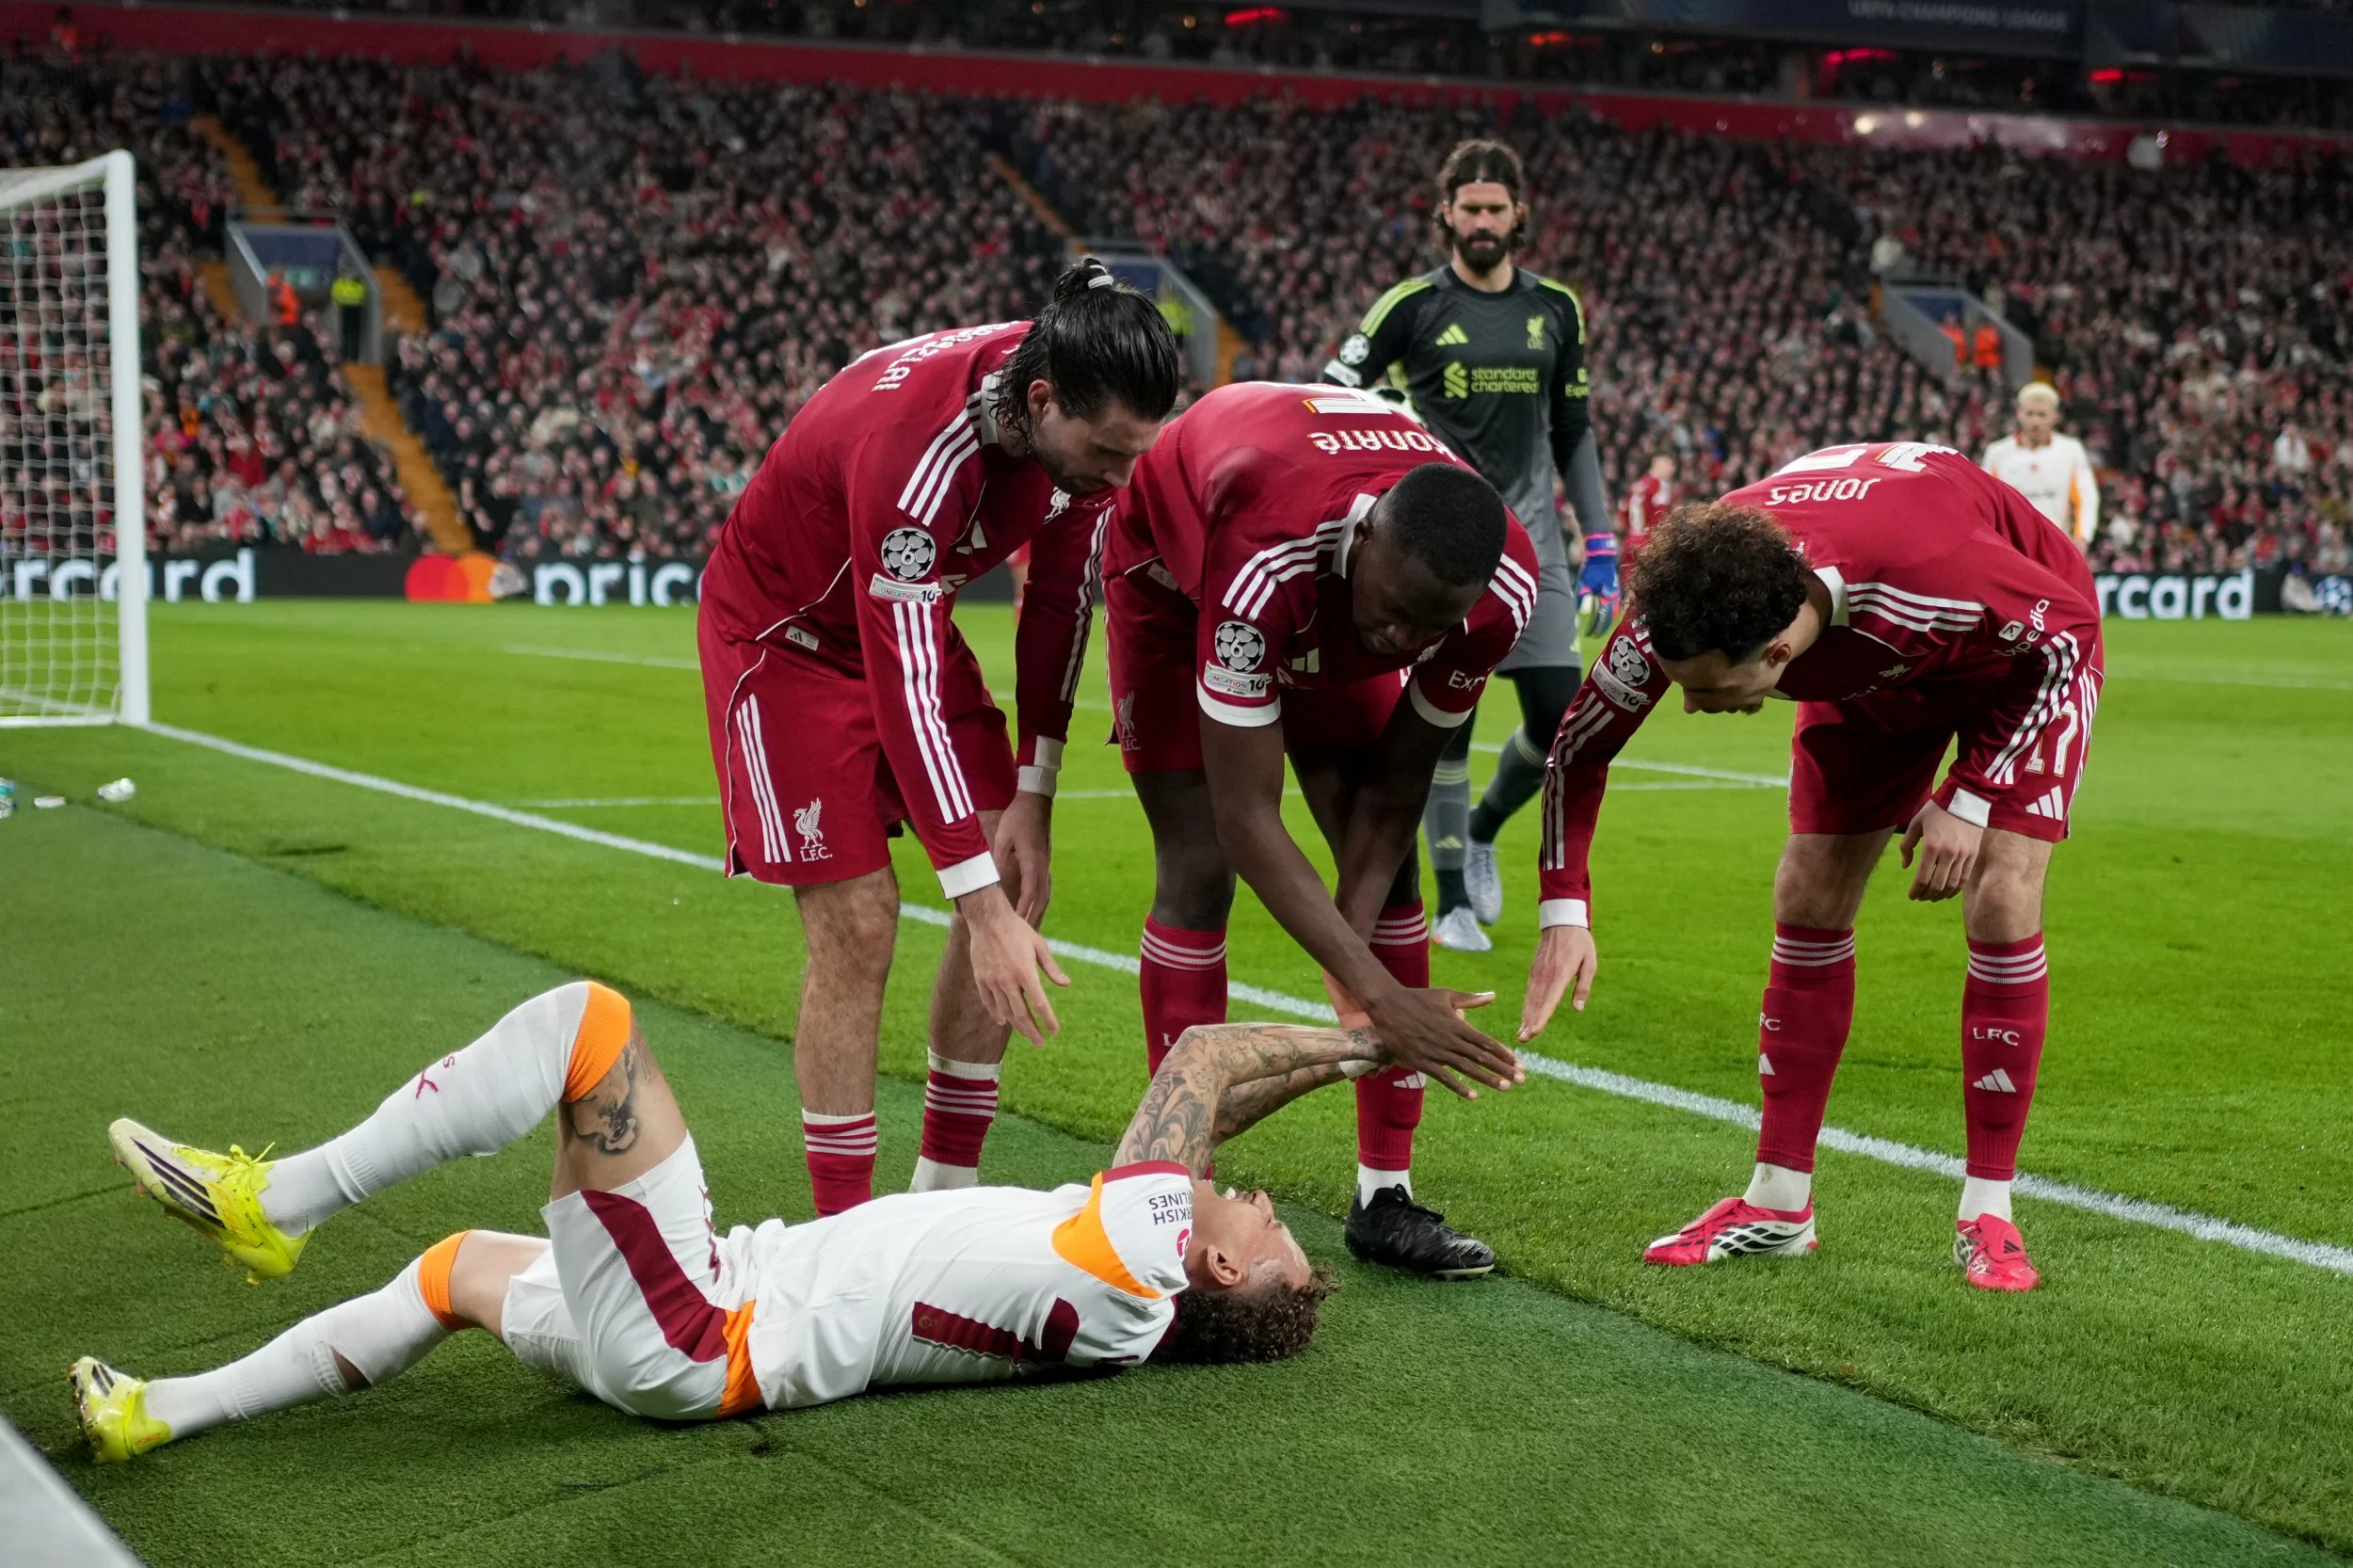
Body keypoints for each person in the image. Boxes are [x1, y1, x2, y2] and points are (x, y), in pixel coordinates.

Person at [71, 979, 1425, 1461]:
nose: (1258, 1194)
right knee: (449, 1271)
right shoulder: (1122, 1279)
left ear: (1220, 1263)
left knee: (586, 1029)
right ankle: (162, 1409)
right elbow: (1194, 1124)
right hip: (681, 1342)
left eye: (1268, 1221)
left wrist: (1374, 1039)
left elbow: (1195, 1059)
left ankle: (280, 1200)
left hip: (704, 1329)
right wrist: (1362, 1044)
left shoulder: (1134, 1258)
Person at [1519, 441, 2104, 1293]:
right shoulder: (1683, 606)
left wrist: (1971, 798)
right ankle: (1778, 1203)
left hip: (2020, 660)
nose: (1687, 704)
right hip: (1872, 670)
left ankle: (1990, 1211)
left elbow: (2066, 633)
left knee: (2001, 896)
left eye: (1710, 690)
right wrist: (1564, 909)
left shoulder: (1931, 569)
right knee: (1808, 891)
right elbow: (1577, 745)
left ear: (1779, 650)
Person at [696, 259, 1178, 1217]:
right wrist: (978, 908)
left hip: (906, 616)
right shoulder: (918, 455)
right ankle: (845, 1234)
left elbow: (1056, 608)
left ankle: (941, 1189)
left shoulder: (1070, 415)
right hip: (785, 637)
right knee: (862, 923)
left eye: (1139, 453)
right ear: (1041, 401)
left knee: (1015, 869)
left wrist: (1034, 794)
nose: (1124, 478)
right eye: (1109, 453)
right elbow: (901, 681)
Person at [1105, 378, 1532, 1278]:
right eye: (1398, 607)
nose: (1401, 636)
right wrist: (1379, 997)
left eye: (1431, 624)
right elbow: (1246, 812)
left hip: (1313, 571)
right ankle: (1176, 1201)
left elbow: (1396, 785)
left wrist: (1354, 968)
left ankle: (1385, 1199)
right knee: (1199, 863)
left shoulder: (1496, 598)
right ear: (1368, 535)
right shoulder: (1269, 559)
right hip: (1176, 579)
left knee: (1393, 875)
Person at [1321, 139, 1608, 953]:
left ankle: (1481, 830)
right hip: (1445, 547)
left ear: (1520, 214)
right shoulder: (1410, 306)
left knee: (1560, 721)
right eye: (1469, 208)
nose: (1482, 222)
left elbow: (1574, 429)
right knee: (1444, 724)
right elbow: (1330, 393)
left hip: (1539, 546)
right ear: (1446, 213)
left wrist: (1604, 541)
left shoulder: (1557, 309)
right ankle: (1449, 898)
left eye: (1496, 208)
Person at [1980, 382, 2099, 552]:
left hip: (2057, 548)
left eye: (2042, 414)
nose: (2035, 421)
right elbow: (1986, 502)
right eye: (2030, 413)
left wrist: (2082, 537)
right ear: (2019, 414)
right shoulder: (1997, 453)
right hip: (2012, 550)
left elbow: (2087, 498)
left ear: (2055, 416)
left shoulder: (2071, 450)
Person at [1620, 450, 1675, 565]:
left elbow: (1623, 510)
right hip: (1647, 543)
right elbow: (1659, 517)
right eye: (1670, 464)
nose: (1673, 469)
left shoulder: (1638, 484)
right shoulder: (1659, 485)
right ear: (1658, 463)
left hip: (1630, 540)